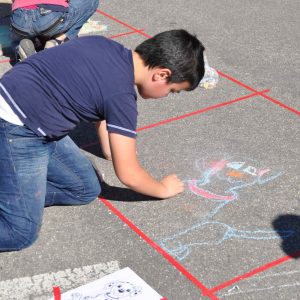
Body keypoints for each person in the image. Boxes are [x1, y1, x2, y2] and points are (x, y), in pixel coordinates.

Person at [0, 29, 206, 252]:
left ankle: (12, 190)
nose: (167, 95)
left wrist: (113, 150)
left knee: (85, 189)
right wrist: (163, 188)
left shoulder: (105, 46)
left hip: (24, 107)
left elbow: (101, 118)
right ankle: (13, 198)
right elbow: (129, 175)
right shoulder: (121, 97)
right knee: (20, 232)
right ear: (161, 75)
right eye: (173, 91)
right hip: (17, 128)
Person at [10, 0, 99, 60]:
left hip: (20, 20)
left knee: (17, 36)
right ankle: (58, 40)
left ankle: (19, 46)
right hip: (48, 18)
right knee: (91, 2)